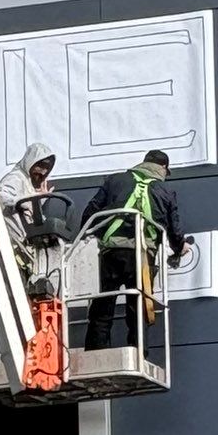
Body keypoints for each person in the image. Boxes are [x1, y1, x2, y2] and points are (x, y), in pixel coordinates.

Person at [81, 148, 191, 348]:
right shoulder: (165, 191)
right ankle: (139, 352)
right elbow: (174, 228)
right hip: (143, 255)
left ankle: (96, 350)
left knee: (105, 302)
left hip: (111, 251)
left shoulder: (115, 180)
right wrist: (179, 248)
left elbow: (91, 210)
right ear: (163, 168)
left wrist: (90, 234)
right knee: (139, 306)